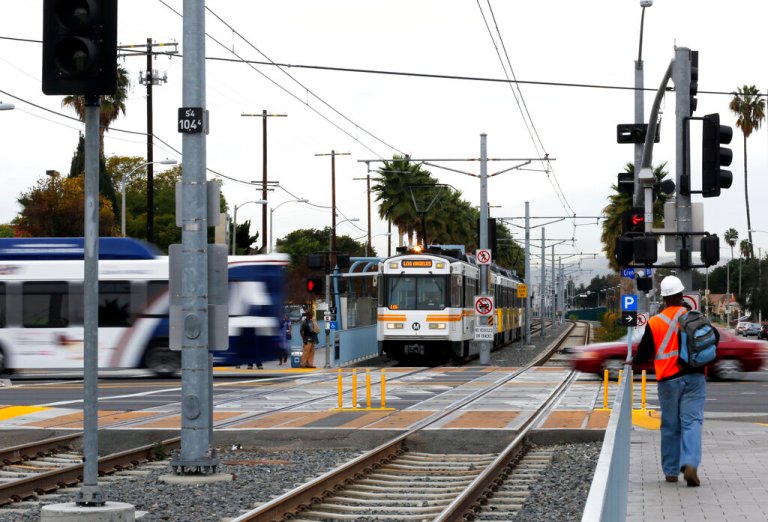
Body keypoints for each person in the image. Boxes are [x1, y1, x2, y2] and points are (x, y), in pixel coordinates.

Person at [632, 275, 712, 487]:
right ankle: (691, 464)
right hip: (695, 377)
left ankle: (670, 471)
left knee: (670, 425)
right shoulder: (694, 316)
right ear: (681, 295)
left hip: (668, 380)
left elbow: (642, 355)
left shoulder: (655, 322)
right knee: (692, 422)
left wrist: (633, 364)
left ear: (664, 298)